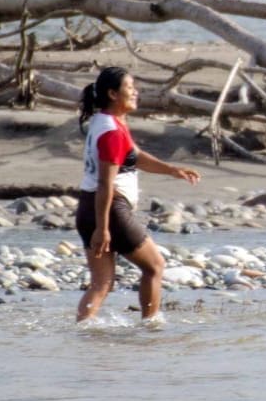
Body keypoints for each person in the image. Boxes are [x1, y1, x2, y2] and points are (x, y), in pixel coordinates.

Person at [75, 66, 201, 322]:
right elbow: (105, 183)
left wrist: (173, 170)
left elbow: (135, 156)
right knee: (155, 266)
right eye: (130, 88)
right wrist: (103, 228)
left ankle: (82, 332)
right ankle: (150, 326)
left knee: (101, 284)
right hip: (109, 210)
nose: (135, 93)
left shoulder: (105, 121)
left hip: (87, 209)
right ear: (112, 94)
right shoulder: (111, 132)